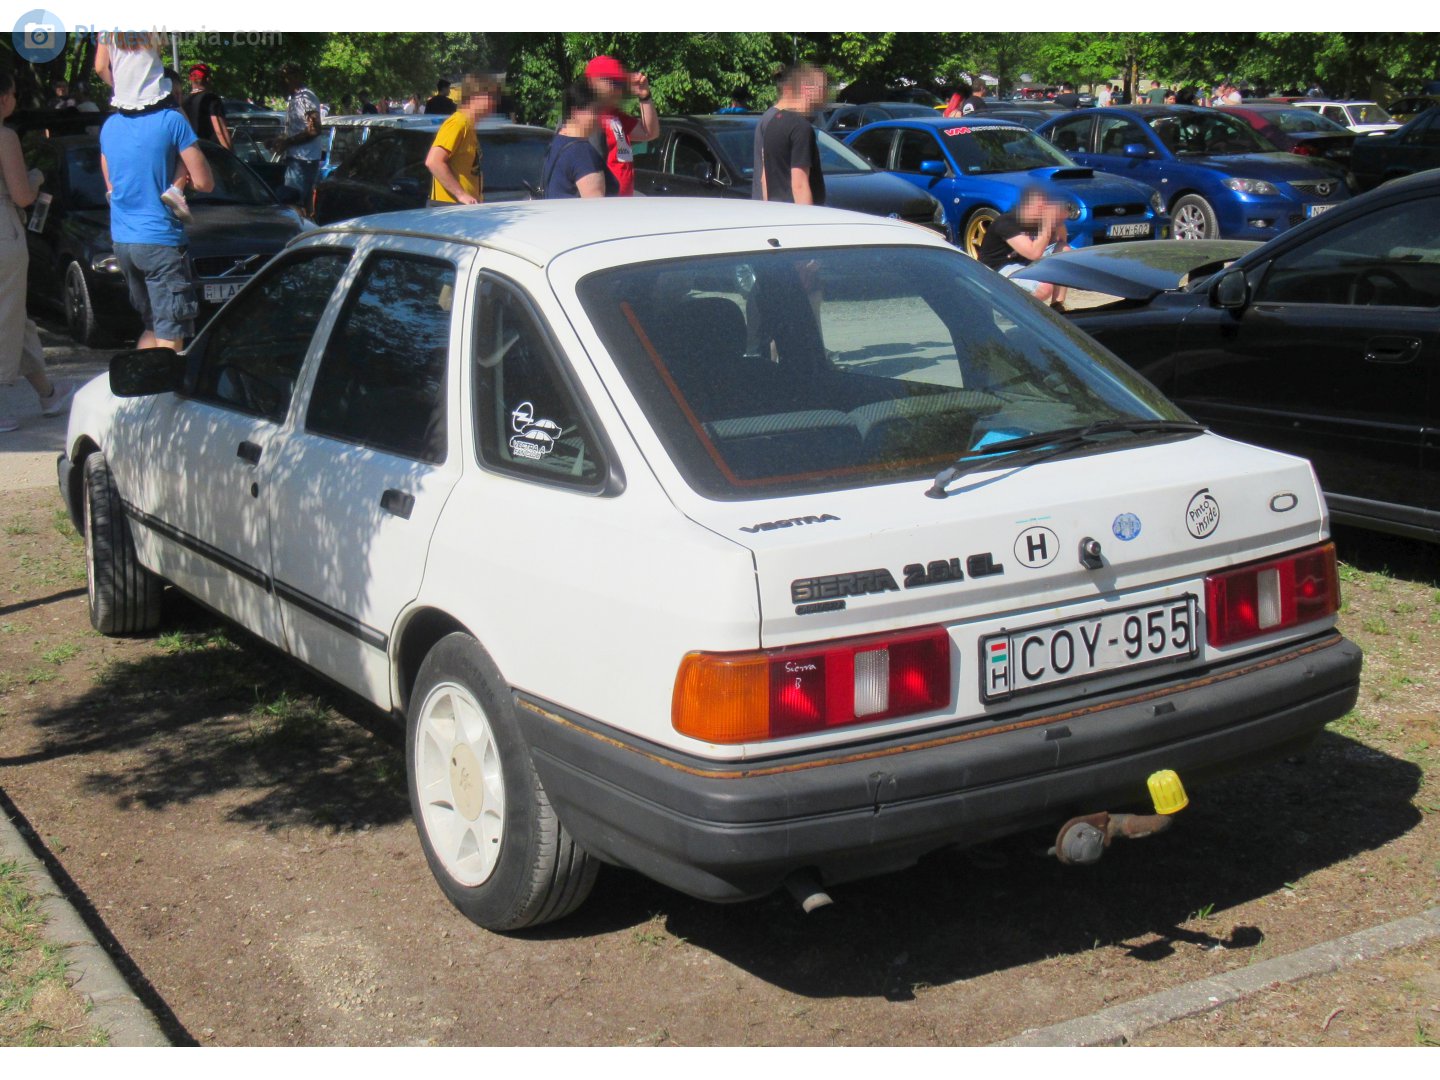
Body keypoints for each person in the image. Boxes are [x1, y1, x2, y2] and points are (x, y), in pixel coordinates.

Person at [98, 69, 214, 353]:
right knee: (170, 335)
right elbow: (204, 182)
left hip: (125, 241)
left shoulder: (111, 125)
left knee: (153, 327)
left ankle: (139, 392)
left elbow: (110, 183)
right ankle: (161, 395)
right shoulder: (172, 121)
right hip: (160, 242)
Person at [0, 70, 77, 433]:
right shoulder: (5, 136)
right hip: (4, 234)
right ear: (3, 98)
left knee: (19, 318)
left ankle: (47, 393)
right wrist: (36, 177)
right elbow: (22, 196)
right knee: (5, 316)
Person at [95, 33, 191, 222]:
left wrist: (119, 87)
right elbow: (160, 46)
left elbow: (100, 67)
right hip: (155, 96)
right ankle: (177, 189)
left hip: (124, 101)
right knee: (188, 138)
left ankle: (112, 188)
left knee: (109, 142)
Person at [975, 185, 1069, 308]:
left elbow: (1062, 240)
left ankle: (1058, 306)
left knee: (1063, 249)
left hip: (1023, 264)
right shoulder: (1007, 222)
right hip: (997, 270)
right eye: (1041, 207)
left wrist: (1058, 221)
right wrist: (1047, 224)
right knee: (1044, 288)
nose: (1045, 211)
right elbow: (1034, 253)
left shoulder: (1037, 221)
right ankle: (1013, 313)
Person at [584, 55, 660, 197]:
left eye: (620, 83)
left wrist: (644, 97)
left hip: (623, 201)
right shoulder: (588, 118)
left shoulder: (616, 116)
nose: (619, 89)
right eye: (614, 82)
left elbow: (650, 133)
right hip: (606, 203)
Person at [753, 63, 828, 206]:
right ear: (807, 90)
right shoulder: (801, 128)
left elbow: (764, 179)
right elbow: (799, 184)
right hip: (796, 219)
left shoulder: (773, 122)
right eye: (823, 89)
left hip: (777, 214)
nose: (825, 95)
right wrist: (809, 222)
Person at [425, 73, 501, 205]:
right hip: (449, 208)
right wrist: (461, 194)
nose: (493, 104)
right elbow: (433, 161)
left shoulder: (470, 126)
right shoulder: (458, 123)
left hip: (465, 209)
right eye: (490, 98)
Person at [539, 81, 615, 199]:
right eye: (594, 111)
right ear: (575, 112)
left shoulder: (556, 142)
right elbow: (597, 207)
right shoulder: (582, 153)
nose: (599, 117)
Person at [273, 62, 324, 205]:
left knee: (294, 204)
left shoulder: (306, 98)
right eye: (280, 78)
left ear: (295, 77)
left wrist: (287, 142)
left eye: (285, 77)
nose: (282, 82)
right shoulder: (294, 99)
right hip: (296, 159)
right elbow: (297, 128)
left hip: (303, 160)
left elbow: (314, 129)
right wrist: (278, 141)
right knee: (294, 203)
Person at [182, 63, 231, 150]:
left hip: (192, 149)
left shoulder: (183, 100)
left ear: (191, 80)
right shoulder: (211, 99)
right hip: (210, 150)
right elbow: (219, 130)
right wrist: (229, 152)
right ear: (208, 79)